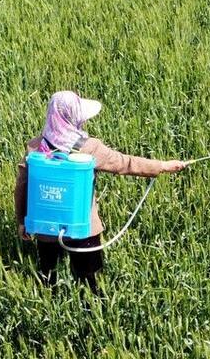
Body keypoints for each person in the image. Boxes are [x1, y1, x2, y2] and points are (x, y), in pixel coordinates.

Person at [14, 90, 188, 295]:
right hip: (84, 229)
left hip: (46, 229)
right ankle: (93, 314)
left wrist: (22, 221)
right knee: (91, 281)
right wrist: (162, 166)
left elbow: (21, 187)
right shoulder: (89, 148)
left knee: (48, 276)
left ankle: (51, 307)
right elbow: (125, 163)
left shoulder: (35, 148)